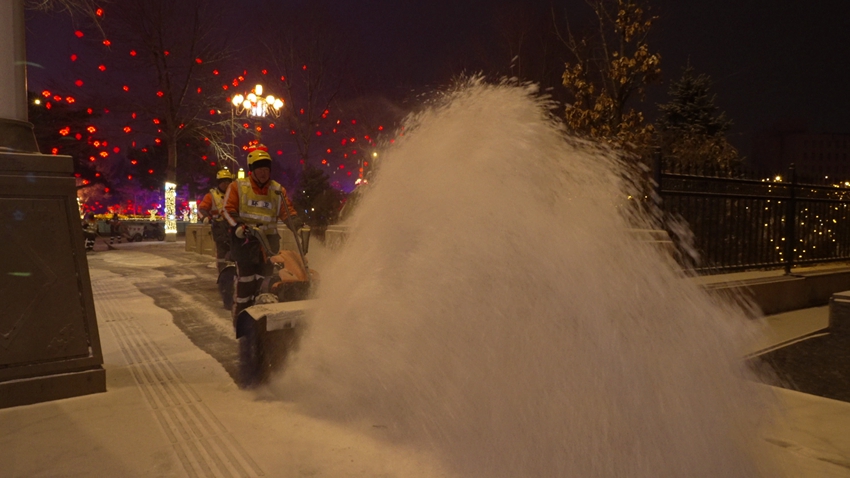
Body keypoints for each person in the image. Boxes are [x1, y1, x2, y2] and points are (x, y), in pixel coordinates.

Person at [221, 147, 302, 321]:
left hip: (269, 245)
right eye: (260, 169)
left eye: (266, 169)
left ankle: (261, 321)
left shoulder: (277, 190)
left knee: (265, 282)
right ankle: (241, 320)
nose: (264, 173)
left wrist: (297, 225)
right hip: (245, 243)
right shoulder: (238, 187)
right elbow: (227, 210)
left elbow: (287, 212)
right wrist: (238, 227)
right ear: (252, 170)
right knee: (246, 284)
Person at [198, 169, 234, 273]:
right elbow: (201, 209)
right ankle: (223, 273)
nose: (226, 184)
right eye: (224, 181)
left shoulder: (235, 195)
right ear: (219, 183)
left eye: (228, 181)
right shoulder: (212, 196)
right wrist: (205, 218)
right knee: (222, 251)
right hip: (219, 226)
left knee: (236, 250)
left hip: (234, 225)